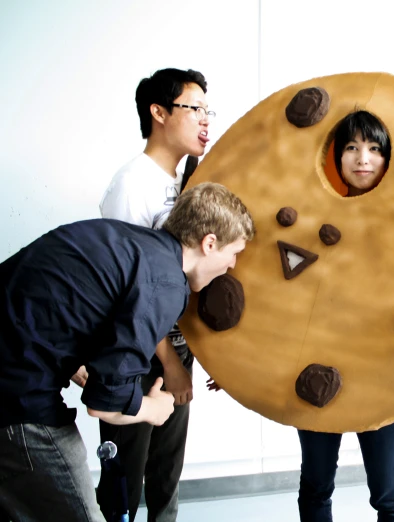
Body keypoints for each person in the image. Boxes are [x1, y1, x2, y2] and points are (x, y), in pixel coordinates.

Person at [0, 182, 255, 522]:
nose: (234, 264)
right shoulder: (166, 283)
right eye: (234, 252)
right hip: (16, 399)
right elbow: (104, 406)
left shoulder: (134, 246)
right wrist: (154, 408)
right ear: (209, 244)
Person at [96, 67, 214, 522]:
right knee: (126, 470)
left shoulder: (189, 182)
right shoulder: (132, 185)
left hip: (175, 346)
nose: (206, 119)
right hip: (135, 351)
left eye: (208, 109)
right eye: (195, 108)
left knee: (166, 473)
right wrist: (168, 361)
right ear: (159, 112)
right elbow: (128, 293)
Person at [295, 110, 394, 522]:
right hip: (317, 368)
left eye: (374, 149)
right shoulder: (309, 212)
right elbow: (282, 295)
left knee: (388, 492)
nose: (363, 158)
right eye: (351, 147)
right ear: (336, 155)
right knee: (315, 485)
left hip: (385, 372)